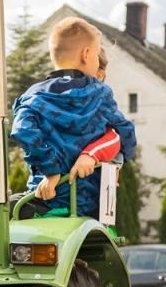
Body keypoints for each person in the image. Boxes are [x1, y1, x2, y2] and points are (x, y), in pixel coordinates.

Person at [14, 17, 137, 218]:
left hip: (42, 198)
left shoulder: (33, 96)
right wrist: (111, 155)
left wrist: (51, 171)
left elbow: (22, 130)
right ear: (87, 54)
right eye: (98, 54)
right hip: (86, 205)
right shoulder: (99, 94)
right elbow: (126, 135)